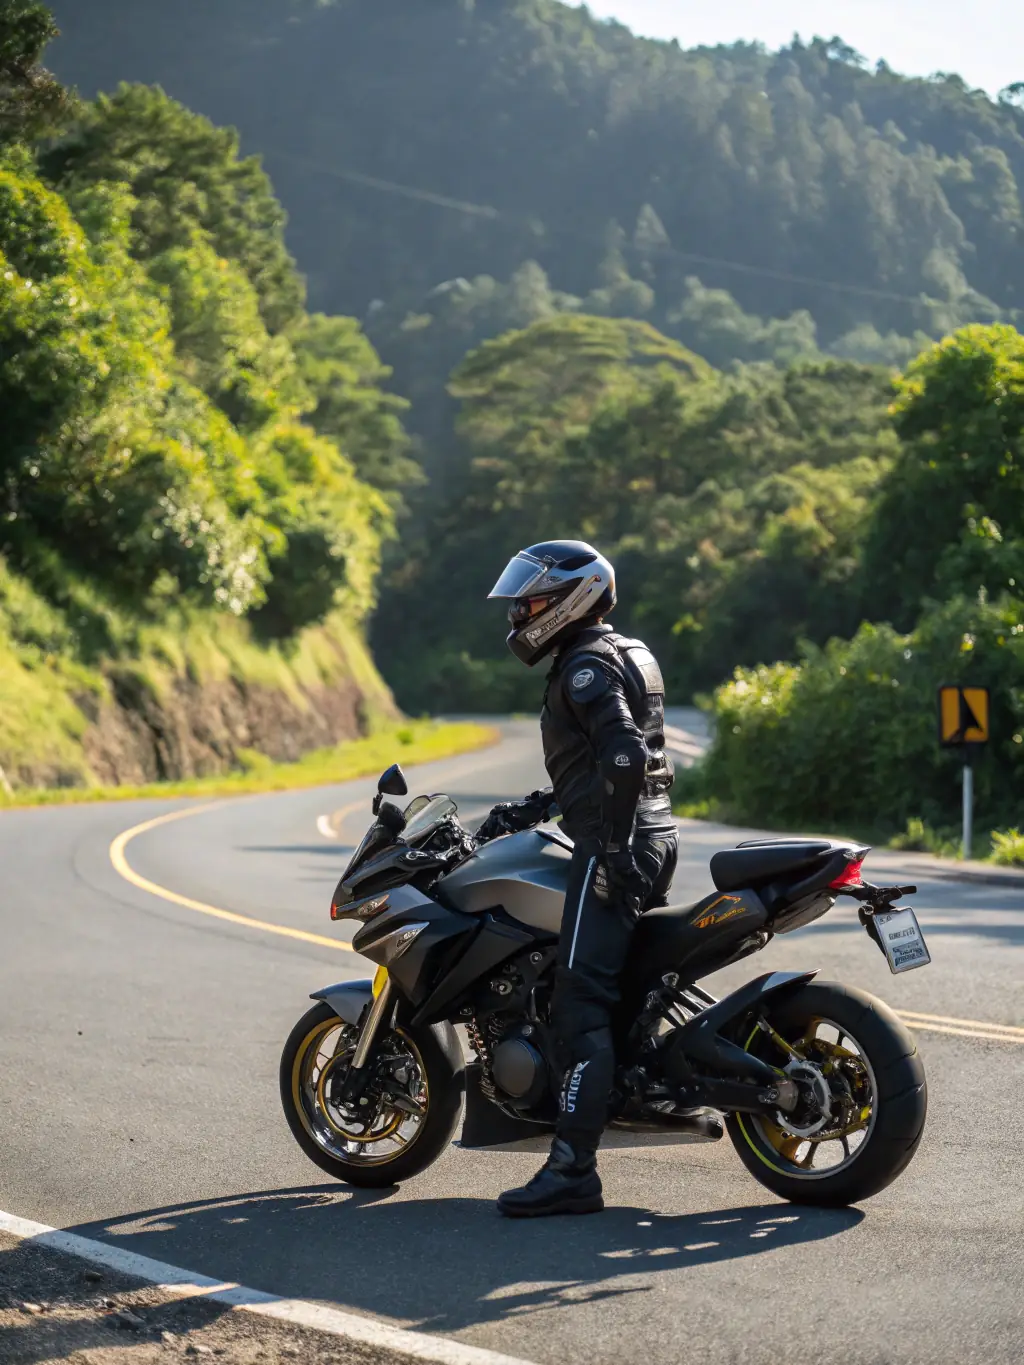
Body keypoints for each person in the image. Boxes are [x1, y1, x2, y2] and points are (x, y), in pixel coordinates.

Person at [478, 540, 719, 1219]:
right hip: (655, 834)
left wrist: (609, 846)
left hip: (620, 844)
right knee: (605, 987)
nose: (520, 612)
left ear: (571, 599)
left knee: (579, 1004)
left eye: (530, 600)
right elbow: (603, 760)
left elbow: (621, 750)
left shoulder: (583, 665)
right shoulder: (623, 650)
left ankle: (571, 1169)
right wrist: (539, 804)